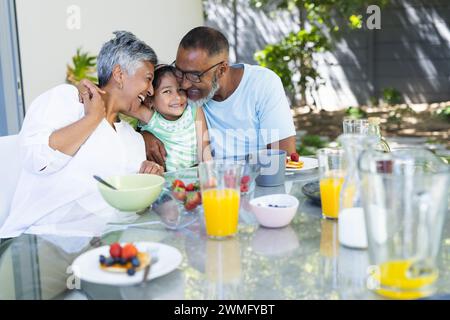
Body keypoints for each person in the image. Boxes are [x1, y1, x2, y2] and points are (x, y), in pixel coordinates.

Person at [0, 31, 163, 238]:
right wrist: (92, 118)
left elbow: (128, 212)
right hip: (38, 237)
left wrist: (146, 184)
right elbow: (37, 159)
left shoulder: (133, 140)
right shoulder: (67, 100)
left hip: (101, 243)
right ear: (119, 74)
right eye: (147, 79)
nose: (150, 91)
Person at [143, 26, 297, 165]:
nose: (183, 85)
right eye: (179, 71)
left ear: (222, 70)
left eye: (194, 75)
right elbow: (146, 109)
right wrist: (144, 135)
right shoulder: (184, 96)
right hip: (211, 188)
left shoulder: (262, 84)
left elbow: (285, 158)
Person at [120, 64, 212, 172]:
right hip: (167, 182)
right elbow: (117, 100)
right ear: (150, 101)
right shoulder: (151, 118)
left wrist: (209, 178)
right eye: (167, 91)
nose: (177, 97)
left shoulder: (194, 110)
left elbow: (205, 151)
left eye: (181, 89)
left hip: (195, 178)